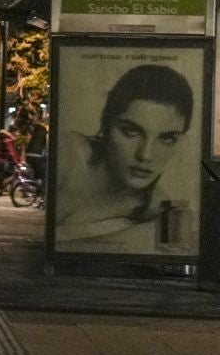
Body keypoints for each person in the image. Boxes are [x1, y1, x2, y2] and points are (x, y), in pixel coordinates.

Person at [56, 64, 197, 253]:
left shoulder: (153, 199)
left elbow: (181, 242)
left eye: (167, 138)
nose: (145, 155)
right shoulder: (71, 152)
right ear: (106, 126)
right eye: (130, 131)